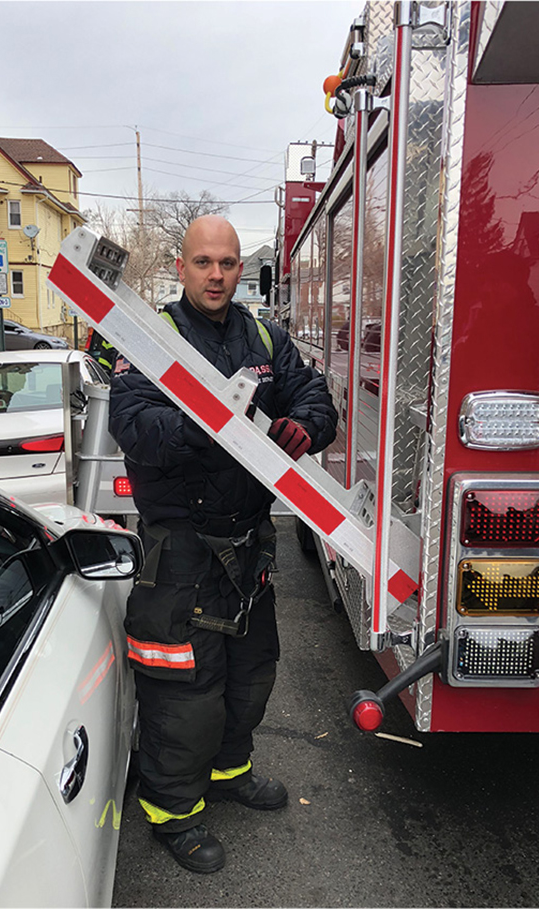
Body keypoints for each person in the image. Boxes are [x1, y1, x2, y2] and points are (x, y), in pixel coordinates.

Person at [109, 215, 337, 874]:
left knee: (249, 674)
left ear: (243, 270)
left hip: (249, 544)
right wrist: (208, 425)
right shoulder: (151, 339)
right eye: (204, 262)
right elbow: (137, 425)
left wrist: (305, 426)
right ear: (179, 267)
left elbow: (314, 395)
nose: (217, 274)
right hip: (180, 550)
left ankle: (230, 770)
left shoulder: (263, 336)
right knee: (184, 689)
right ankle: (173, 812)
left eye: (229, 263)